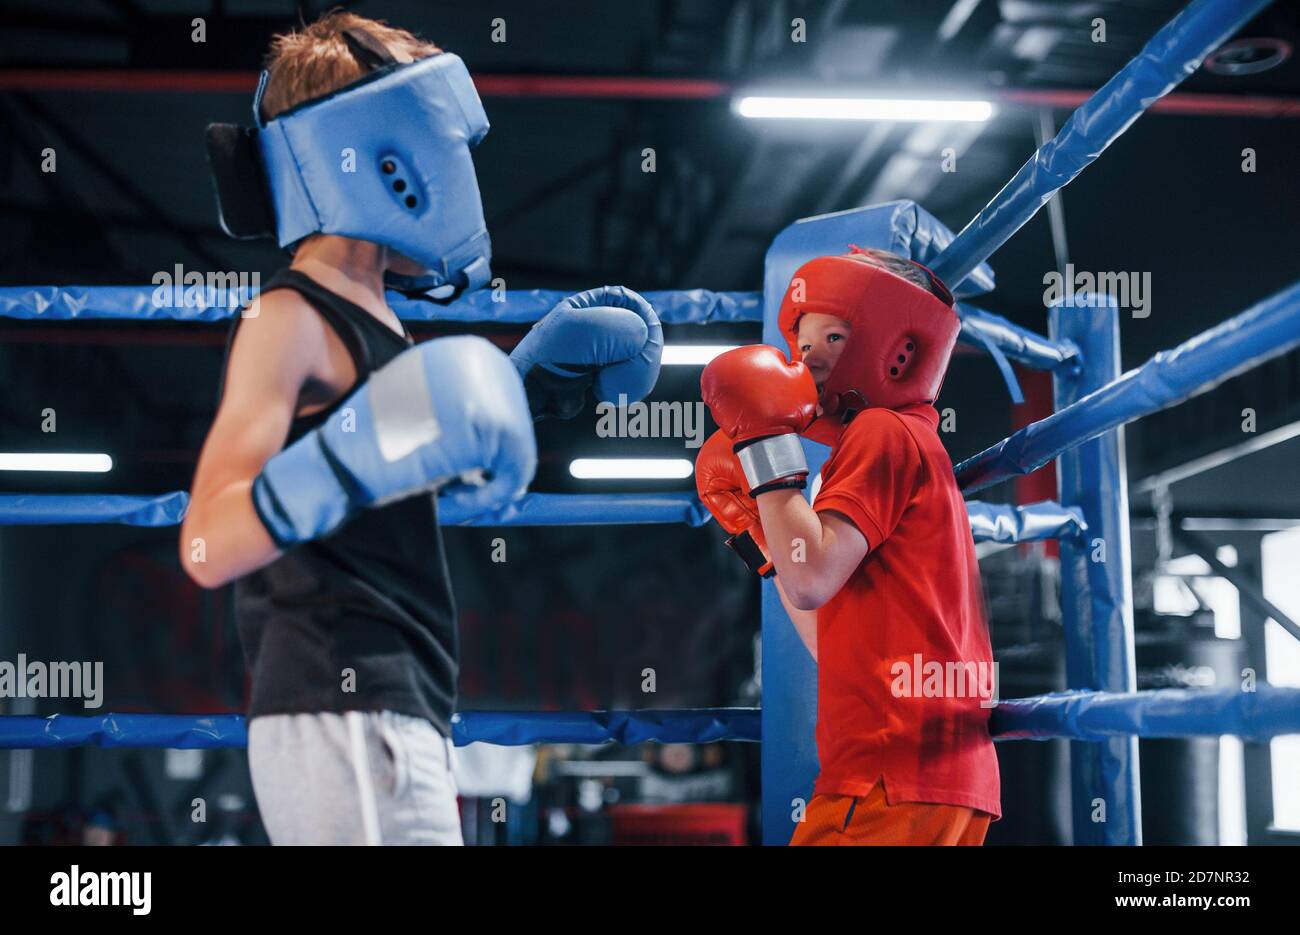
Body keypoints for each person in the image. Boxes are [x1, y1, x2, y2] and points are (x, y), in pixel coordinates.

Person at [182, 11, 660, 845]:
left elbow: (388, 476)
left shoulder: (384, 326)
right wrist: (345, 455)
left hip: (397, 697)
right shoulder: (286, 316)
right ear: (383, 152)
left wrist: (512, 391)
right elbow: (207, 541)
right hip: (342, 696)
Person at [696, 246, 1001, 845]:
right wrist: (761, 536)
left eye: (833, 338)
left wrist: (762, 448)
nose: (810, 360)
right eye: (803, 344)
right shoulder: (907, 446)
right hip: (933, 778)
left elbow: (809, 580)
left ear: (901, 347)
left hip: (887, 773)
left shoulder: (882, 432)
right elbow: (823, 625)